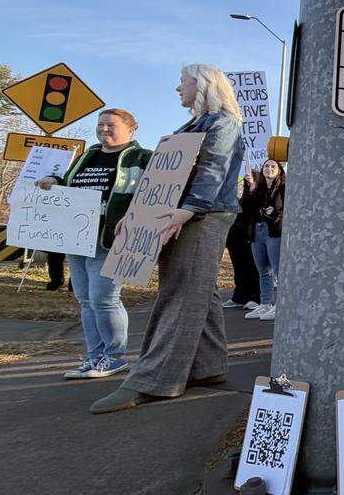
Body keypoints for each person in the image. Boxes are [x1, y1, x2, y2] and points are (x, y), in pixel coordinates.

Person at [91, 64, 246, 414]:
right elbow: (165, 177)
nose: (178, 88)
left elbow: (213, 171)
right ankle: (207, 368)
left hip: (203, 215)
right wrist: (136, 216)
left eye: (184, 82)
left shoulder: (223, 123)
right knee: (199, 291)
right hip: (184, 212)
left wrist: (187, 211)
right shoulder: (194, 124)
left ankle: (154, 380)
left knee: (180, 291)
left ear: (204, 85)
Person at [37, 109, 152, 380]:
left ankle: (114, 357)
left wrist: (134, 217)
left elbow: (155, 192)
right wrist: (55, 181)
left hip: (110, 240)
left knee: (105, 299)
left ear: (131, 129)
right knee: (86, 300)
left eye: (111, 125)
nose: (103, 129)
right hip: (77, 238)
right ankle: (95, 357)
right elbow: (71, 184)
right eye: (100, 125)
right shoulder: (87, 156)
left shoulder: (142, 158)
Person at [240, 159, 285, 321]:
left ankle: (281, 305)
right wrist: (248, 188)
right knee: (263, 271)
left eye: (273, 166)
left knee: (278, 271)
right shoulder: (257, 188)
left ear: (279, 170)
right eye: (266, 166)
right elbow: (246, 208)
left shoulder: (283, 187)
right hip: (257, 232)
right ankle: (266, 303)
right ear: (262, 169)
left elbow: (283, 208)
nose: (269, 168)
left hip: (273, 232)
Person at [220, 210, 261, 310]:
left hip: (247, 226)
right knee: (238, 265)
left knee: (251, 264)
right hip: (233, 227)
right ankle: (239, 297)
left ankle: (256, 298)